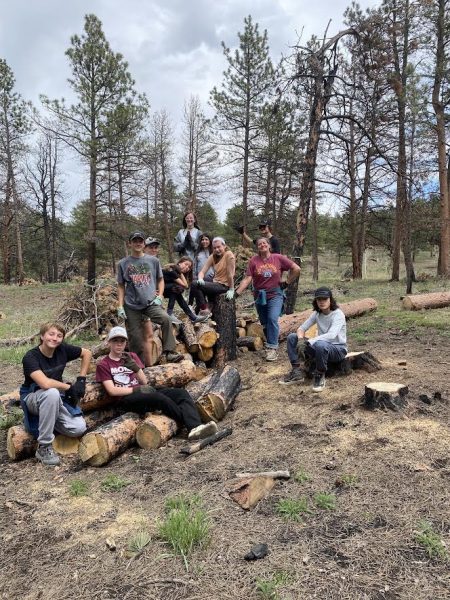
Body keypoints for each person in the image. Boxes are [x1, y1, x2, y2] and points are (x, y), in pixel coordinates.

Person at [96, 326, 218, 441]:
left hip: (143, 392)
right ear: (109, 343)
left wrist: (136, 368)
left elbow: (144, 381)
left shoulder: (131, 356)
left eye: (122, 341)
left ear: (125, 343)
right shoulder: (104, 364)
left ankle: (195, 426)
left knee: (181, 393)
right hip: (125, 400)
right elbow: (111, 390)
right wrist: (135, 390)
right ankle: (192, 424)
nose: (119, 344)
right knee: (158, 398)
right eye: (115, 340)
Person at [20, 322, 92, 466]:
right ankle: (44, 446)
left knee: (78, 428)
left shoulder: (62, 349)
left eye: (59, 336)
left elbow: (87, 353)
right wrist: (68, 387)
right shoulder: (31, 357)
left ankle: (45, 421)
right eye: (51, 334)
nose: (55, 338)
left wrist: (81, 380)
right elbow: (45, 384)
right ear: (42, 336)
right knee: (51, 393)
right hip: (33, 397)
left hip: (55, 397)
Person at [117, 231, 183, 365]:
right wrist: (119, 306)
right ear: (130, 243)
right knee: (135, 338)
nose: (138, 243)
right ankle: (139, 367)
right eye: (135, 241)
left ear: (143, 243)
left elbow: (160, 280)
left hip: (150, 303)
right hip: (131, 306)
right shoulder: (123, 263)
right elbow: (120, 286)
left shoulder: (153, 261)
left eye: (140, 241)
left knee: (165, 319)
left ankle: (169, 352)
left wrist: (159, 296)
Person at [235, 238, 300, 361]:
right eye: (259, 244)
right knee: (264, 322)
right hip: (260, 296)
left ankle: (272, 348)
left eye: (264, 243)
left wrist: (287, 282)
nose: (262, 245)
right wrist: (236, 293)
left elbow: (296, 269)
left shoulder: (278, 258)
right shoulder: (254, 260)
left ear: (269, 245)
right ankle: (269, 341)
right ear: (257, 247)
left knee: (272, 318)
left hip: (275, 294)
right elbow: (248, 279)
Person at [280, 287, 347, 392]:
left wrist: (311, 341)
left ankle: (320, 374)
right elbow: (301, 328)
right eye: (319, 299)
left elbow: (332, 335)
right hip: (320, 346)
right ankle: (297, 372)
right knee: (292, 337)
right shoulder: (317, 313)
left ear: (330, 299)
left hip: (338, 349)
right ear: (316, 301)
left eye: (324, 299)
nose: (322, 302)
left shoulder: (338, 314)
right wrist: (301, 340)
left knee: (320, 344)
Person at [191, 237, 236, 316]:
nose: (217, 249)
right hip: (216, 281)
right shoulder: (213, 256)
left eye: (219, 247)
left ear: (224, 246)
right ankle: (205, 305)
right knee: (195, 280)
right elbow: (202, 271)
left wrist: (231, 289)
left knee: (195, 284)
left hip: (224, 285)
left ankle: (203, 308)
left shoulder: (229, 255)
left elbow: (230, 274)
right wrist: (200, 278)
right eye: (214, 248)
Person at [163, 257, 209, 325]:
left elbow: (185, 286)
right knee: (175, 287)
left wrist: (180, 272)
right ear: (180, 262)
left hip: (165, 289)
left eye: (189, 267)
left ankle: (192, 317)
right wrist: (181, 273)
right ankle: (170, 313)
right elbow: (185, 285)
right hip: (157, 290)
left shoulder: (176, 271)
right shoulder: (172, 270)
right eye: (186, 264)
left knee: (177, 290)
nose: (187, 267)